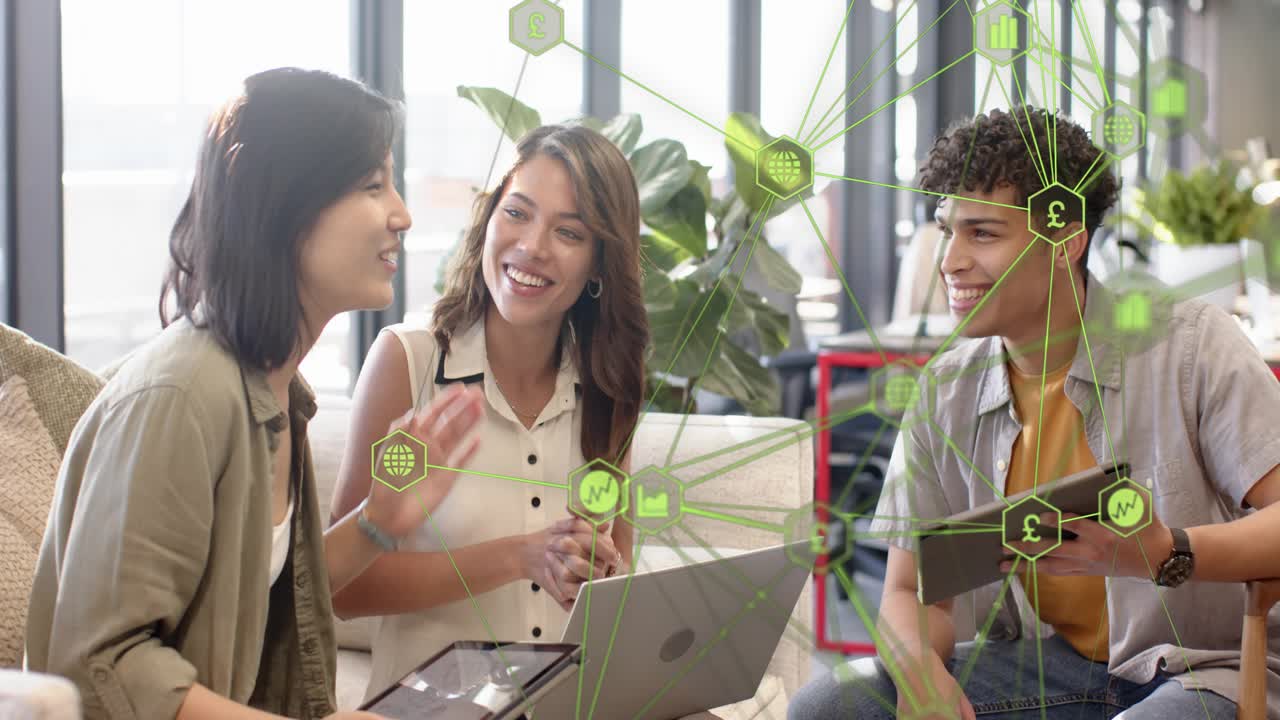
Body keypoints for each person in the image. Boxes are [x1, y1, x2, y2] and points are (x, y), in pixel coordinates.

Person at [788, 106, 1280, 719]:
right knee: (830, 705)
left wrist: (1163, 550)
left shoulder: (1190, 345)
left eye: (983, 234)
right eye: (948, 230)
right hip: (1049, 666)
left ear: (1064, 239)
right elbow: (908, 590)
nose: (950, 261)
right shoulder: (946, 389)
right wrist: (922, 678)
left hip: (1201, 667)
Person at [26, 67, 486, 720]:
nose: (402, 215)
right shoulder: (181, 397)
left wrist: (380, 523)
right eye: (371, 184)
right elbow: (104, 659)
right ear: (285, 207)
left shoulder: (274, 394)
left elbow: (261, 600)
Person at [327, 123, 649, 701]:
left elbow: (615, 571)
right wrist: (521, 557)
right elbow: (343, 588)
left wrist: (594, 572)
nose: (532, 246)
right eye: (518, 213)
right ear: (489, 219)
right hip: (429, 710)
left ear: (600, 265)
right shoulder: (409, 364)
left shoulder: (607, 387)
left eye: (569, 232)